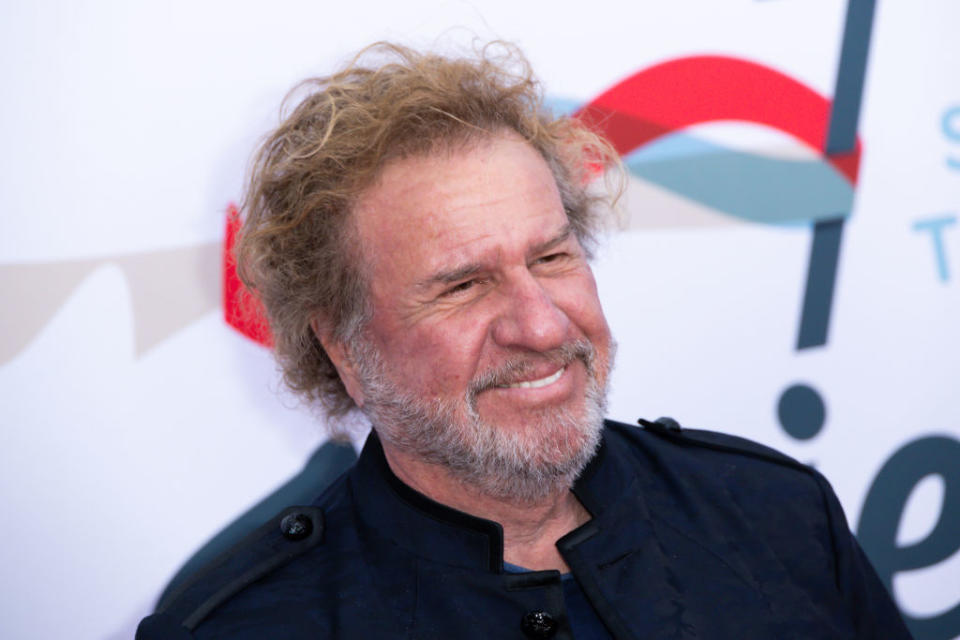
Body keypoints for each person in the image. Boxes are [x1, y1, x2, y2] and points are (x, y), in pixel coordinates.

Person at [137, 42, 912, 639]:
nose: (542, 325)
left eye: (553, 258)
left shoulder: (778, 516)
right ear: (341, 347)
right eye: (462, 285)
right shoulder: (246, 625)